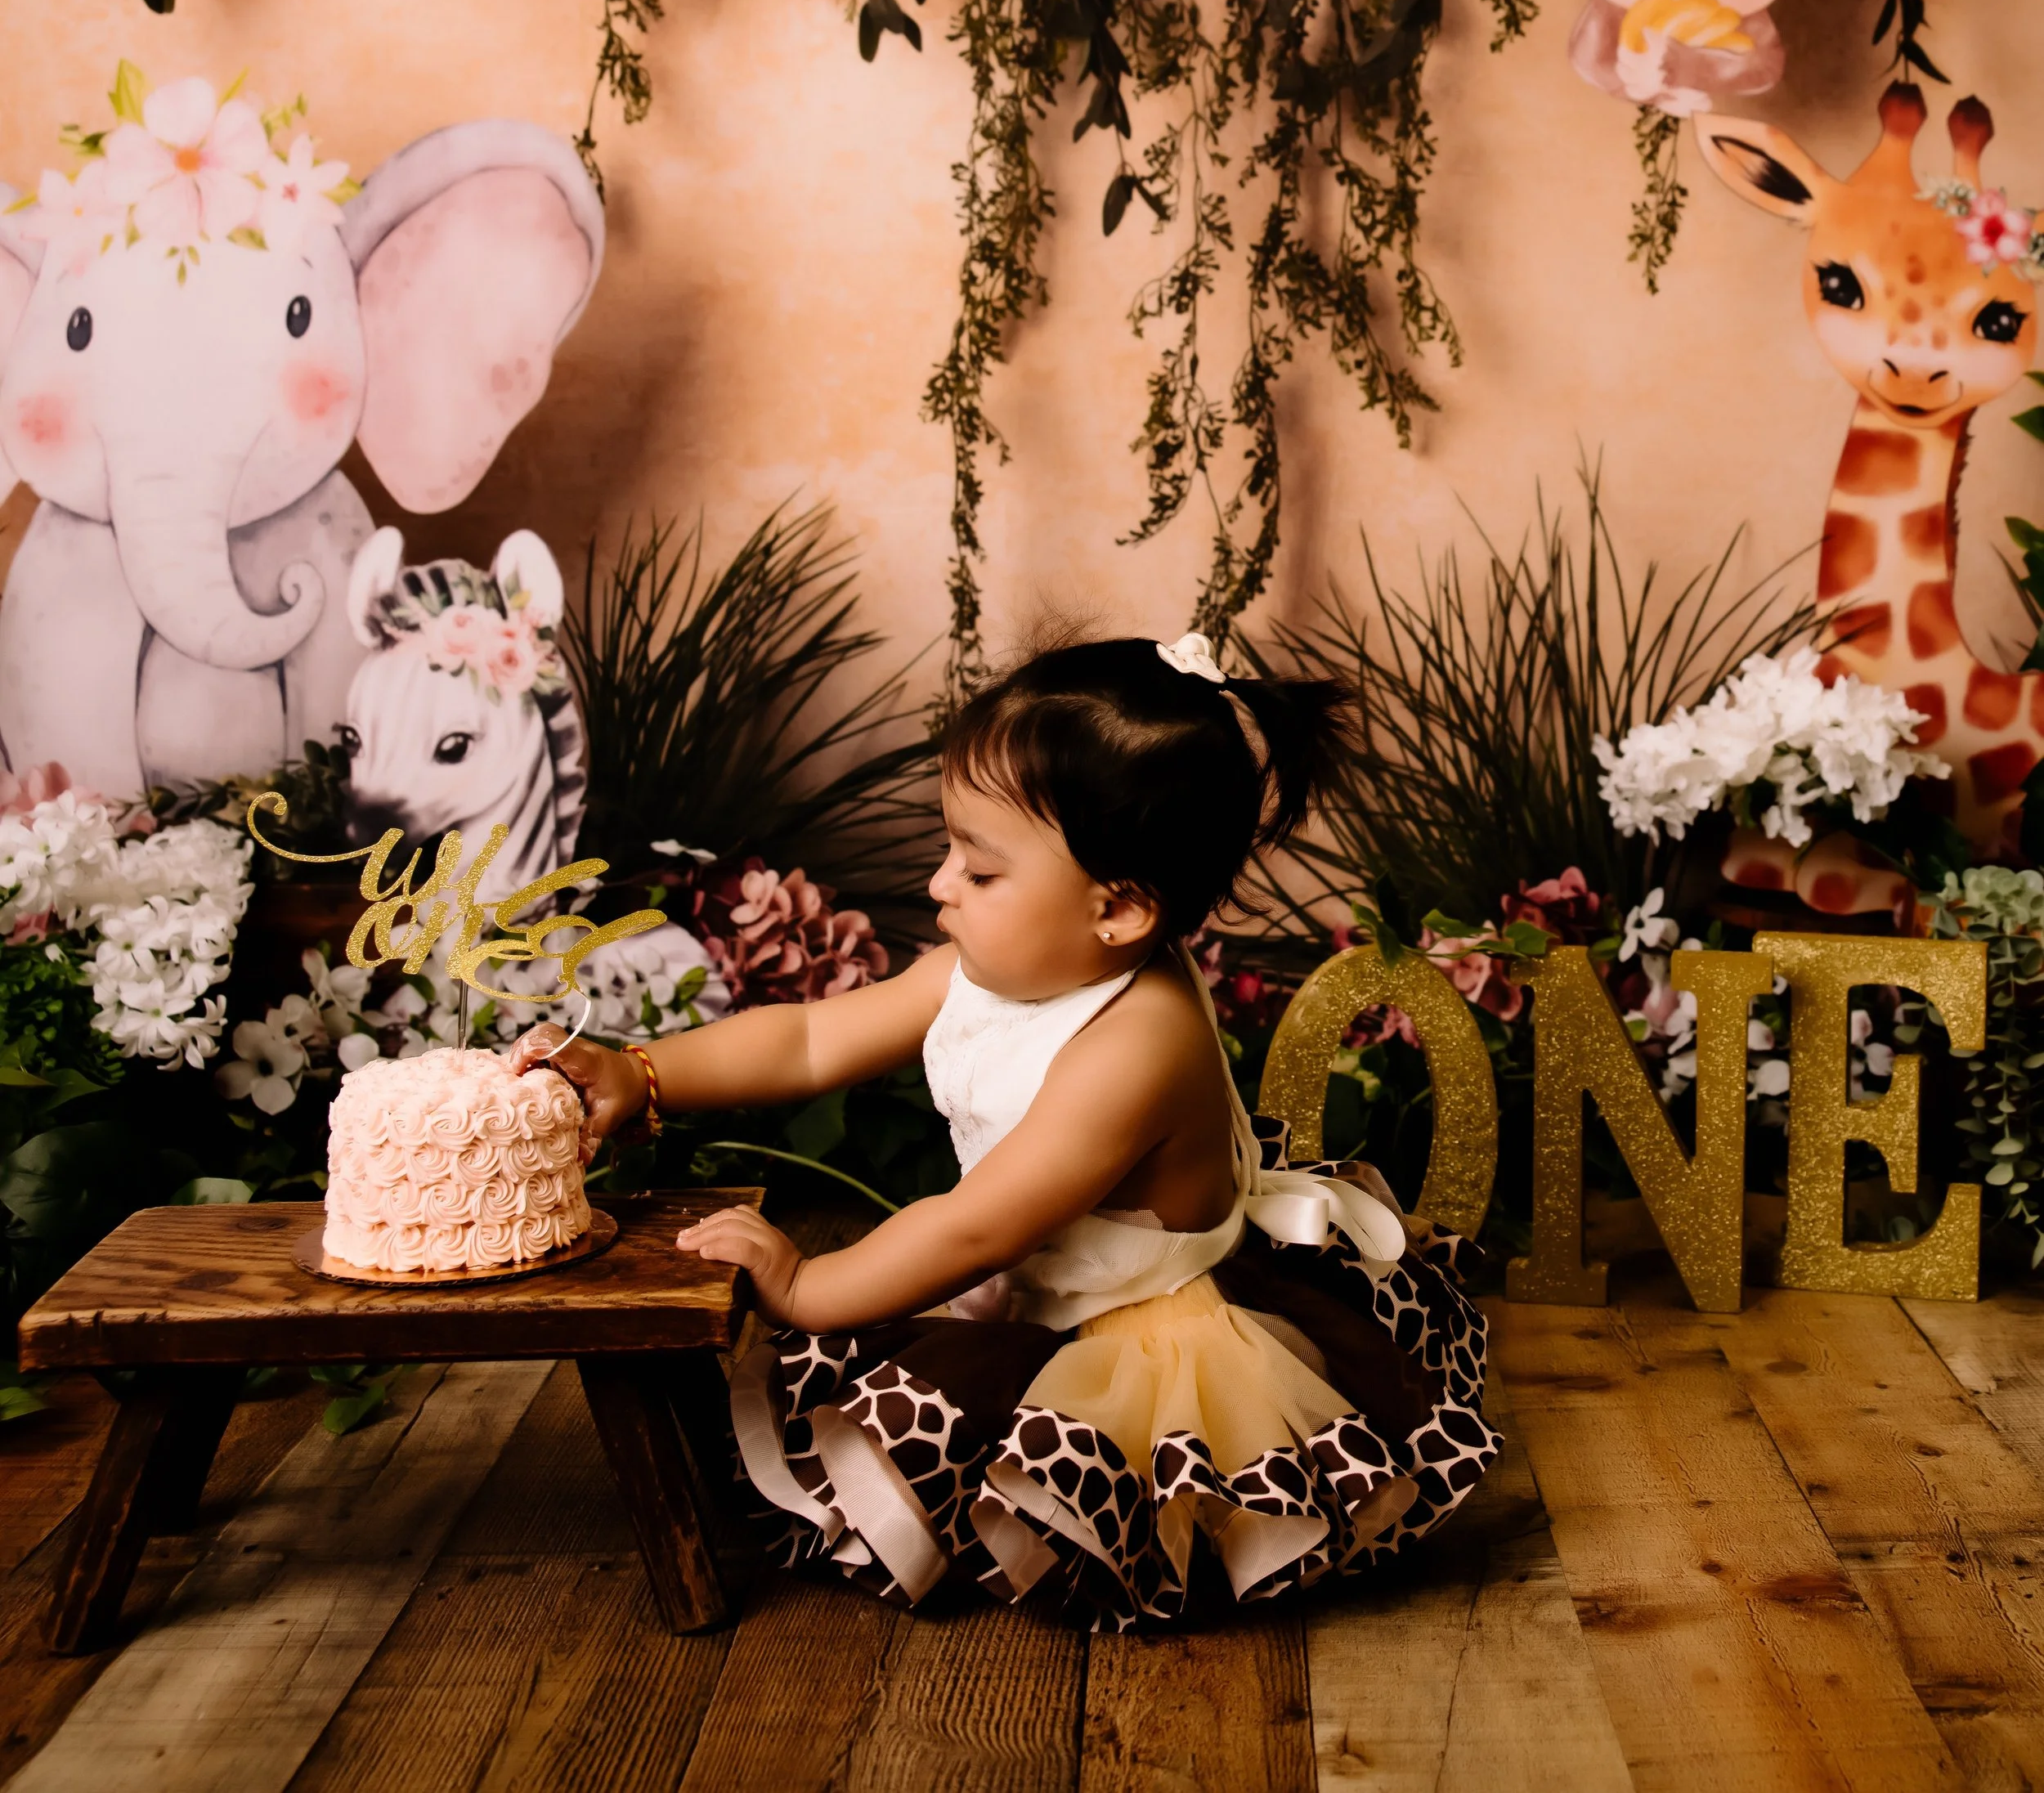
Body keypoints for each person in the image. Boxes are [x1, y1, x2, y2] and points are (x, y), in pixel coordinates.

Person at [515, 631, 1498, 1627]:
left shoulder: (1135, 1046)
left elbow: (976, 1229)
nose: (940, 884)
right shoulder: (991, 966)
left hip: (1136, 1318)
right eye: (951, 849)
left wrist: (809, 1286)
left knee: (1057, 1481)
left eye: (979, 871)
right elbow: (813, 1037)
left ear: (1115, 908)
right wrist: (645, 1074)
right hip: (1038, 1269)